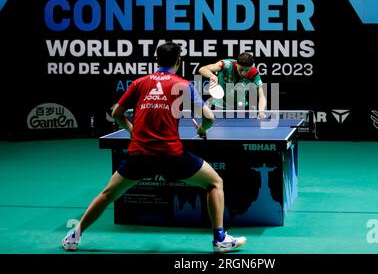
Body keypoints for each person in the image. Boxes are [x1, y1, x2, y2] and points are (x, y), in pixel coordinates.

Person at [61, 42, 247, 253]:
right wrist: (203, 129)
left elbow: (116, 114)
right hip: (171, 155)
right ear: (178, 61)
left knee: (107, 194)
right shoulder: (183, 84)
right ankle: (220, 239)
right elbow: (210, 117)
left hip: (140, 154)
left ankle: (74, 236)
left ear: (156, 60)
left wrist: (132, 131)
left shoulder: (139, 83)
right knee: (215, 183)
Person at [199, 52, 267, 118]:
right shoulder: (227, 65)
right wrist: (212, 76)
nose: (243, 73)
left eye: (246, 70)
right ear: (237, 64)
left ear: (251, 67)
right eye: (241, 69)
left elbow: (261, 97)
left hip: (241, 109)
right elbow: (203, 69)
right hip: (218, 108)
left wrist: (261, 112)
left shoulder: (253, 73)